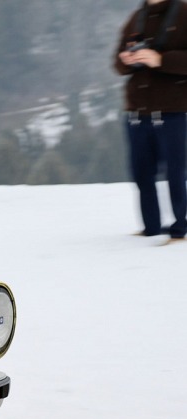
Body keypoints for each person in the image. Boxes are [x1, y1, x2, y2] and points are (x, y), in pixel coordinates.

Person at [115, 0, 187, 242]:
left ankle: (180, 230)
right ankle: (151, 229)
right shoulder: (136, 17)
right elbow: (116, 64)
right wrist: (126, 60)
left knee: (176, 174)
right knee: (141, 174)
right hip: (137, 114)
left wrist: (161, 60)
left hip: (172, 113)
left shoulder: (184, 12)